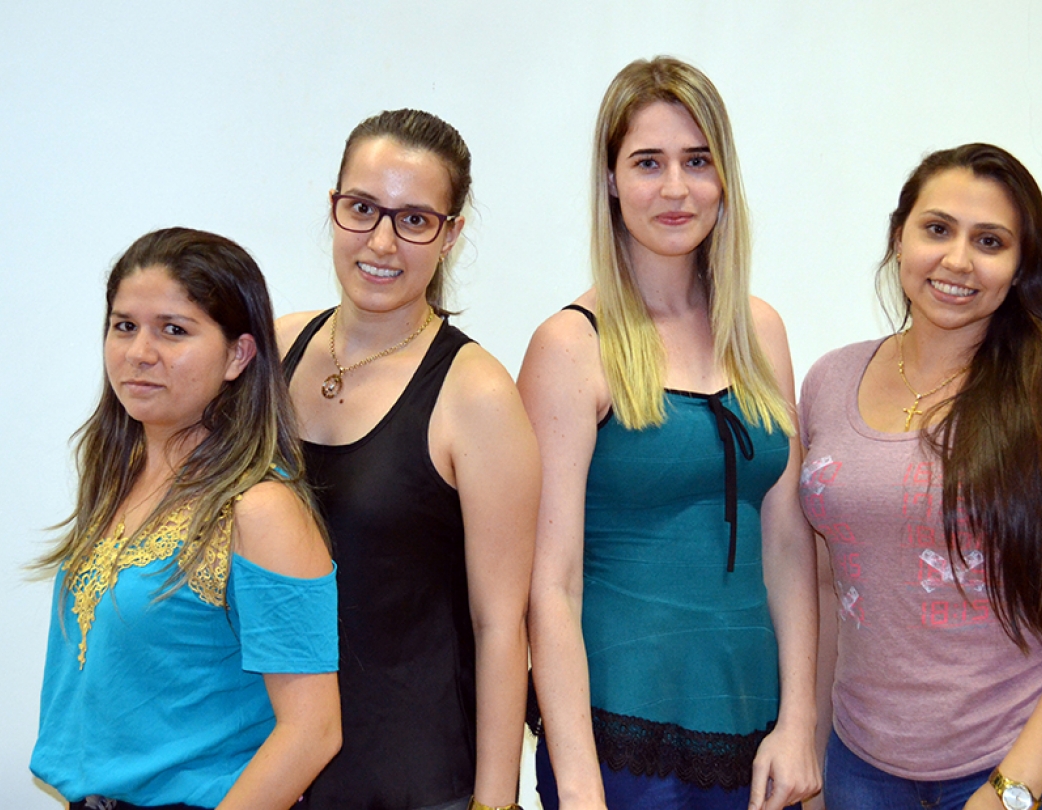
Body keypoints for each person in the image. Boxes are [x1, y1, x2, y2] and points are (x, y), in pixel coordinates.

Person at [798, 143, 1042, 809]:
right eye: (937, 229)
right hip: (862, 767)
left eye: (990, 241)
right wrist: (813, 759)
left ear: (1020, 267)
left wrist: (1011, 789)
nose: (958, 260)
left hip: (1032, 764)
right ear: (899, 237)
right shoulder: (828, 381)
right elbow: (823, 586)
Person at [519, 57, 821, 810]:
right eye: (648, 163)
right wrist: (579, 783)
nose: (676, 188)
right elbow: (550, 583)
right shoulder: (570, 346)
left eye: (697, 161)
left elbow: (788, 543)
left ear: (724, 179)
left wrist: (800, 722)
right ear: (612, 180)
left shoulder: (761, 331)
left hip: (757, 736)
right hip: (619, 746)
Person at [276, 109, 538, 810]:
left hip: (415, 781)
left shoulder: (477, 395)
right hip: (271, 771)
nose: (381, 241)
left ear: (450, 234)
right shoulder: (275, 351)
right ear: (333, 206)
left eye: (414, 219)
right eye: (362, 208)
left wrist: (494, 804)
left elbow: (500, 626)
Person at [30, 227, 341, 810]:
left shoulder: (260, 510)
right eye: (125, 326)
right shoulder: (117, 477)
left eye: (173, 330)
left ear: (238, 355)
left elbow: (313, 730)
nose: (139, 352)